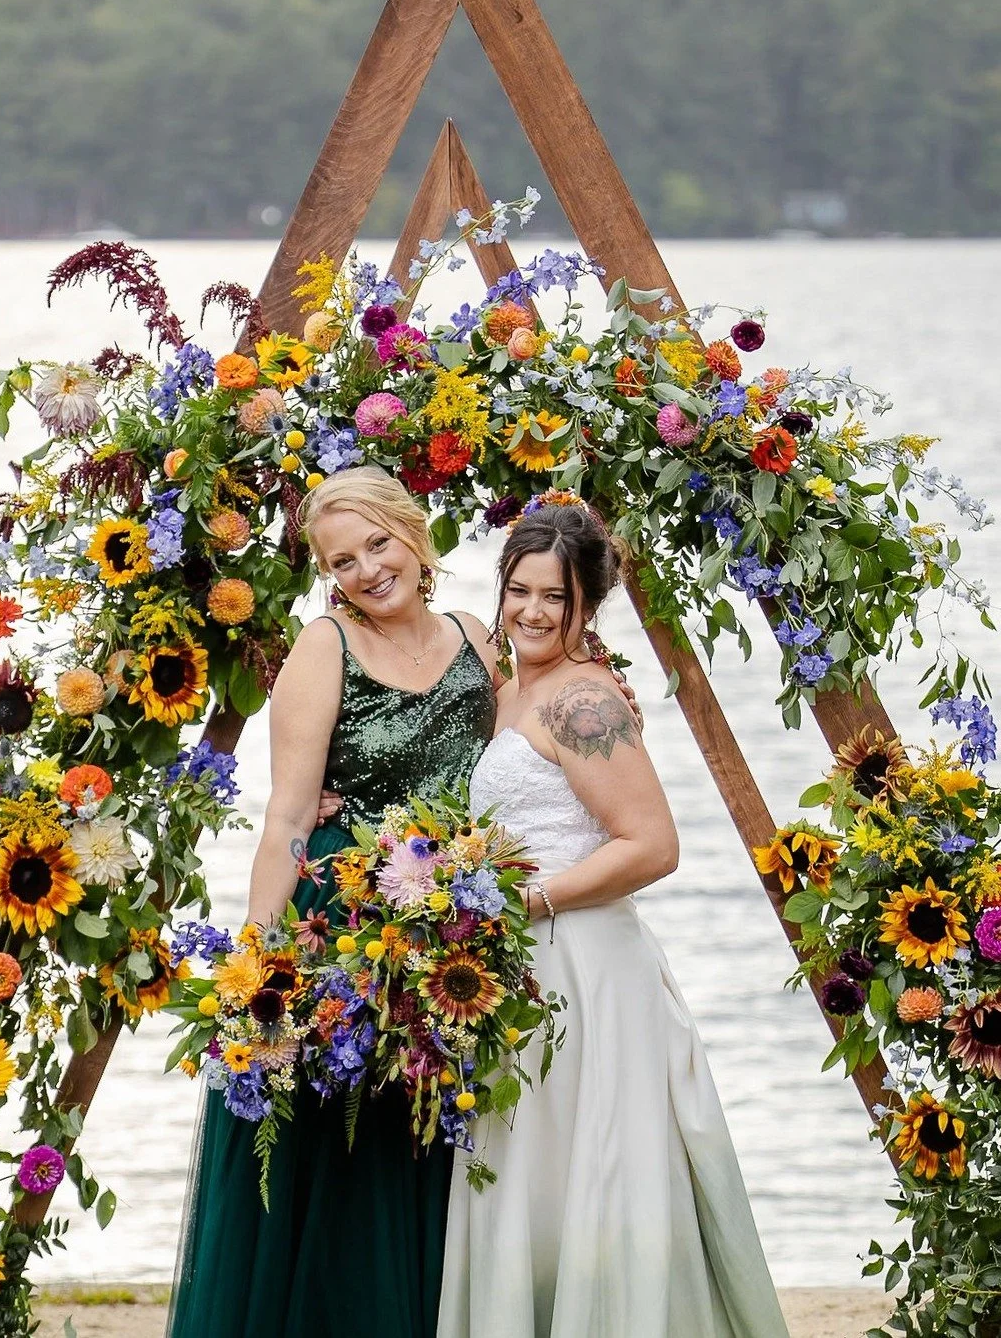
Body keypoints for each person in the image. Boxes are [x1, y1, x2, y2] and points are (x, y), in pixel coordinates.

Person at [437, 503, 790, 1338]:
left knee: (590, 1171)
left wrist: (531, 900)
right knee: (535, 1178)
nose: (531, 611)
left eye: (554, 598)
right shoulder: (507, 689)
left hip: (582, 966)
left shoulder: (584, 702)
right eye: (519, 590)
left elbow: (654, 845)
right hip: (523, 969)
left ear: (587, 606)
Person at [168, 466, 499, 1338]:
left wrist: (601, 698)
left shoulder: (476, 636)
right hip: (342, 928)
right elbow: (287, 812)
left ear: (414, 534)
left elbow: (523, 759)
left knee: (428, 1144)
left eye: (378, 544)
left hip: (455, 925)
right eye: (341, 561)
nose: (367, 571)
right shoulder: (326, 647)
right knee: (348, 1156)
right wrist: (257, 959)